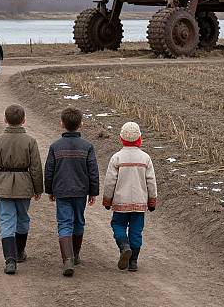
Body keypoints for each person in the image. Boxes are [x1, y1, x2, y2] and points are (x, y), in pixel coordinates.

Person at [0, 104, 44, 275]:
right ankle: (19, 252)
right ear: (24, 121)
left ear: (5, 120)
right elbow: (35, 168)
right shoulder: (31, 141)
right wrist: (38, 188)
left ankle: (10, 259)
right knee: (23, 218)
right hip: (24, 185)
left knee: (6, 220)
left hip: (3, 184)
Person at [44, 107, 99, 277]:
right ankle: (75, 255)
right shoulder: (87, 146)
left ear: (62, 124)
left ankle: (67, 259)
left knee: (64, 223)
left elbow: (49, 170)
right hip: (80, 191)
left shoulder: (55, 147)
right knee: (79, 221)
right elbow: (93, 171)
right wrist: (93, 192)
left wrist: (50, 190)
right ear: (81, 124)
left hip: (61, 191)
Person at [102, 121, 157, 272]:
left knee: (118, 225)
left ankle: (124, 246)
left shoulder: (117, 158)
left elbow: (110, 181)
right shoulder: (145, 158)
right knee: (136, 230)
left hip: (120, 202)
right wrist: (152, 201)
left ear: (121, 138)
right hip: (139, 203)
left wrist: (107, 200)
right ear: (140, 138)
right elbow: (151, 182)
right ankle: (133, 261)